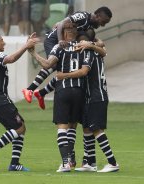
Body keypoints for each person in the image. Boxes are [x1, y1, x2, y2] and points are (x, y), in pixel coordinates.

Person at [29, 22, 92, 172]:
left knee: (62, 128)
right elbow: (84, 71)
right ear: (75, 33)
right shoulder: (83, 47)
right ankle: (72, 159)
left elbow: (47, 64)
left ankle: (65, 163)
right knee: (72, 126)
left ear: (63, 34)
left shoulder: (59, 47)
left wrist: (32, 53)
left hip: (63, 91)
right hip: (79, 92)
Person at [55, 30, 119, 173]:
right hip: (93, 97)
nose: (77, 45)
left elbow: (83, 72)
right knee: (87, 128)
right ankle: (90, 163)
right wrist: (93, 43)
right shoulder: (97, 52)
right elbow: (104, 49)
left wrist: (63, 75)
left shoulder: (89, 53)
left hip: (96, 97)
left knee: (96, 129)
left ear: (83, 43)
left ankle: (112, 162)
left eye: (79, 43)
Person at [22, 6, 112, 104]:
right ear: (98, 16)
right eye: (103, 22)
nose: (103, 25)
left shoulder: (89, 28)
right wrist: (60, 40)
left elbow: (99, 43)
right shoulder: (83, 16)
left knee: (65, 69)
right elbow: (61, 24)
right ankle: (29, 90)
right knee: (52, 64)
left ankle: (41, 93)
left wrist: (95, 44)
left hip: (63, 44)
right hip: (53, 40)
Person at [0, 32, 37, 171]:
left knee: (20, 127)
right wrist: (26, 46)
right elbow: (11, 58)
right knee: (19, 128)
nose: (4, 43)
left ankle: (14, 163)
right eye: (1, 40)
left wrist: (26, 44)